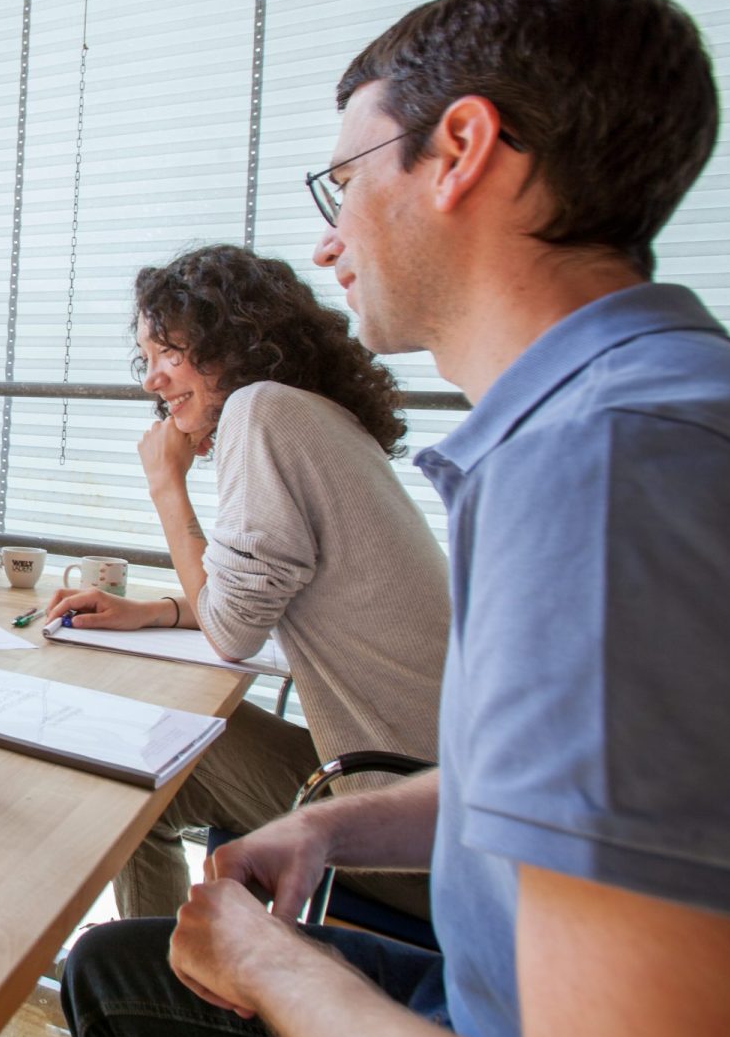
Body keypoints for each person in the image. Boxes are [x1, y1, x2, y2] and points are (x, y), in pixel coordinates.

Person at [60, 0, 730, 1037]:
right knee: (134, 954)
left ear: (461, 151)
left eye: (342, 180)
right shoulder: (664, 405)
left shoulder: (608, 477)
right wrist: (327, 822)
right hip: (451, 909)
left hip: (476, 1005)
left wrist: (269, 965)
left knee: (123, 978)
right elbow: (544, 780)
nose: (326, 239)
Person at [45, 245, 447, 920]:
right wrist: (157, 611)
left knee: (140, 749)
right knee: (152, 779)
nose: (152, 382)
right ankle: (158, 979)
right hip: (441, 801)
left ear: (229, 341)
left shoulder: (262, 414)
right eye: (146, 361)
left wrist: (165, 483)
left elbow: (233, 633)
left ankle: (149, 992)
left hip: (402, 826)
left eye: (167, 353)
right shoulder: (317, 418)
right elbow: (284, 607)